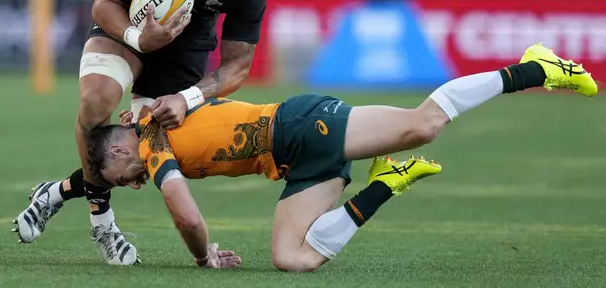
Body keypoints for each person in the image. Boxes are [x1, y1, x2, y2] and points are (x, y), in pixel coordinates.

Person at [82, 43, 596, 271]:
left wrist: (202, 257)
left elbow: (186, 213)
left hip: (303, 125)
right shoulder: (140, 137)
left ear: (123, 147)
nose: (132, 185)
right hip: (295, 163)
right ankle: (386, 183)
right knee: (293, 259)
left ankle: (534, 69)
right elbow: (128, 166)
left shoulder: (148, 137)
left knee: (424, 124)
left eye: (121, 176)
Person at [12, 0, 267, 266]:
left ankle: (56, 193)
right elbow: (103, 2)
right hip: (126, 27)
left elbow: (236, 68)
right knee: (96, 101)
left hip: (185, 52)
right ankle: (102, 221)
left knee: (147, 157)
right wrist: (137, 38)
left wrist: (189, 97)